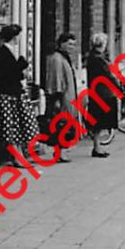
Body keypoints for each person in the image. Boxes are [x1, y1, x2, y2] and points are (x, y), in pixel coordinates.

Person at [0, 23, 39, 160]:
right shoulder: (5, 53)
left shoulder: (8, 52)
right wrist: (21, 66)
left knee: (18, 125)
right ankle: (17, 156)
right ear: (14, 37)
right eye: (18, 36)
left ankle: (21, 154)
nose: (19, 39)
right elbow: (10, 74)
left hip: (13, 93)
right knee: (13, 127)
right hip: (10, 95)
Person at [43, 34, 79, 163]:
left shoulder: (64, 57)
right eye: (69, 44)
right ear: (62, 43)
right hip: (61, 97)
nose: (72, 47)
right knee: (61, 124)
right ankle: (60, 152)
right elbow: (56, 79)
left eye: (73, 45)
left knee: (65, 124)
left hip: (68, 96)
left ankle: (61, 151)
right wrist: (57, 98)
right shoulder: (57, 59)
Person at [84, 32, 116, 158]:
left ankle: (98, 147)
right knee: (99, 122)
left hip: (98, 92)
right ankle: (97, 148)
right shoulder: (98, 59)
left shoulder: (94, 57)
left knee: (99, 122)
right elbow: (108, 75)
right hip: (101, 94)